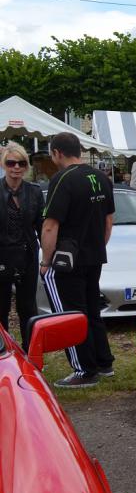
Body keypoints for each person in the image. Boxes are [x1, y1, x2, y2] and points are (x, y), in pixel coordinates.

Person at [39, 132, 115, 388]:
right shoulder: (101, 177)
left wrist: (45, 261)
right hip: (94, 255)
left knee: (71, 314)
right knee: (92, 310)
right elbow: (108, 220)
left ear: (57, 152)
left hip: (67, 260)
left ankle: (84, 370)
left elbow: (50, 225)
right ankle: (104, 363)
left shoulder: (63, 179)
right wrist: (97, 246)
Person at [0, 143, 43, 348]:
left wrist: (48, 257)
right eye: (11, 163)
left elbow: (42, 227)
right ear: (4, 165)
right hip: (2, 256)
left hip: (28, 255)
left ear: (26, 166)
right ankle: (3, 352)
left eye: (21, 163)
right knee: (1, 306)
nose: (16, 167)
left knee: (28, 307)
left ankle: (31, 350)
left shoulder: (34, 192)